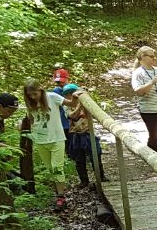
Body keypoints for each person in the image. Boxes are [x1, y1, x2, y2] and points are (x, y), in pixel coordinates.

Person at [23, 79, 69, 211]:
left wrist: (78, 95)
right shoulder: (30, 104)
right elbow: (32, 120)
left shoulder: (52, 97)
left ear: (40, 90)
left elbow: (70, 103)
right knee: (51, 169)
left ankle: (61, 197)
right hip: (40, 141)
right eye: (29, 95)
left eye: (35, 94)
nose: (32, 97)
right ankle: (59, 194)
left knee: (57, 168)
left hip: (56, 138)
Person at [60, 84, 105, 189]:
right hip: (75, 134)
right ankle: (84, 181)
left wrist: (85, 97)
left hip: (88, 132)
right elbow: (73, 116)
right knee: (79, 159)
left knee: (96, 155)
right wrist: (79, 104)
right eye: (66, 94)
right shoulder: (66, 105)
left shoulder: (85, 102)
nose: (68, 96)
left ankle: (101, 176)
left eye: (70, 94)